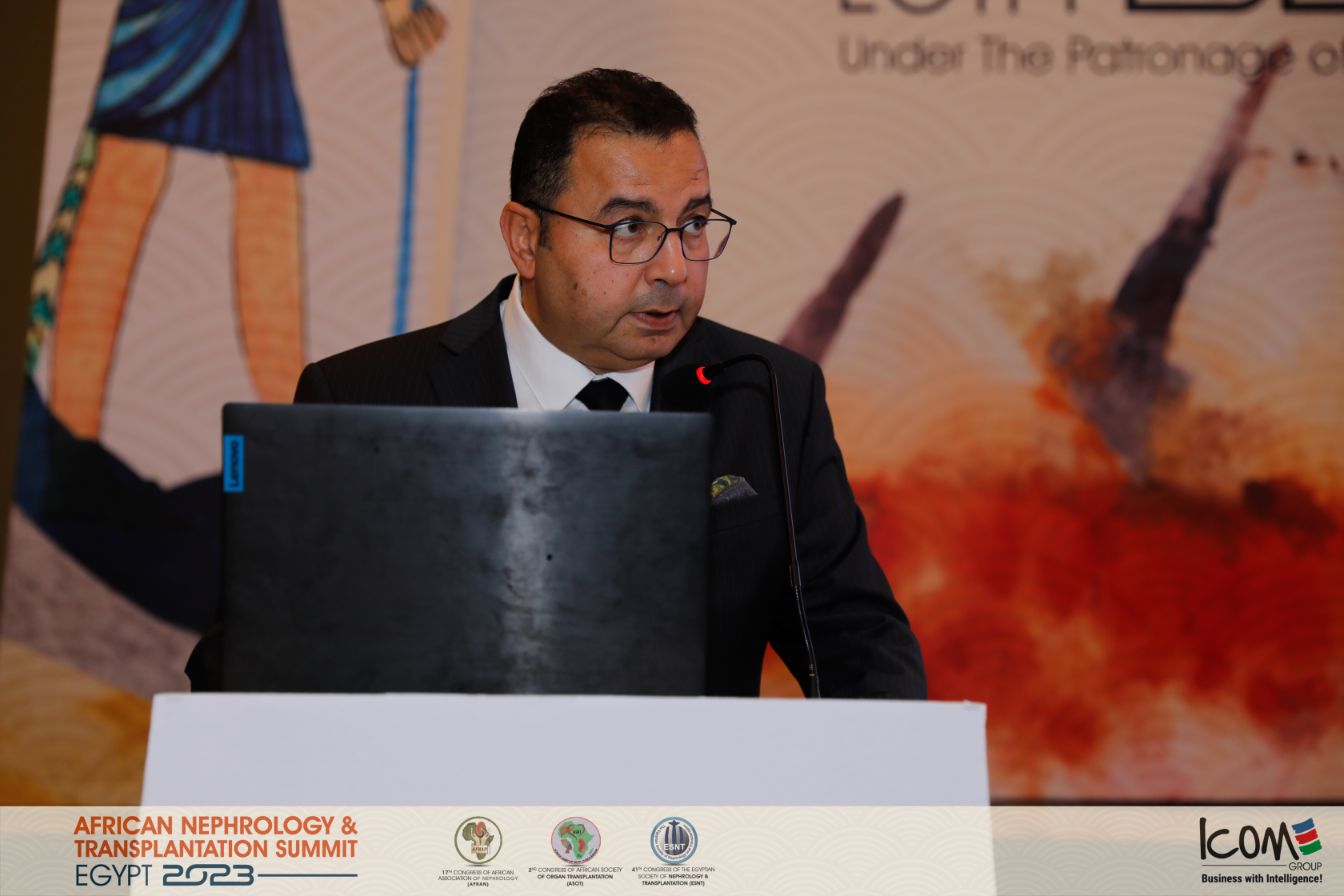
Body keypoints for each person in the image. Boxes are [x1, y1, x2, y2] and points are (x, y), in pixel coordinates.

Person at [190, 68, 924, 699]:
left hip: (686, 815)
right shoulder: (364, 399)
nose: (674, 267)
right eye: (629, 227)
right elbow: (245, 671)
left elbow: (859, 647)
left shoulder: (766, 396)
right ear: (525, 238)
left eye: (694, 224)